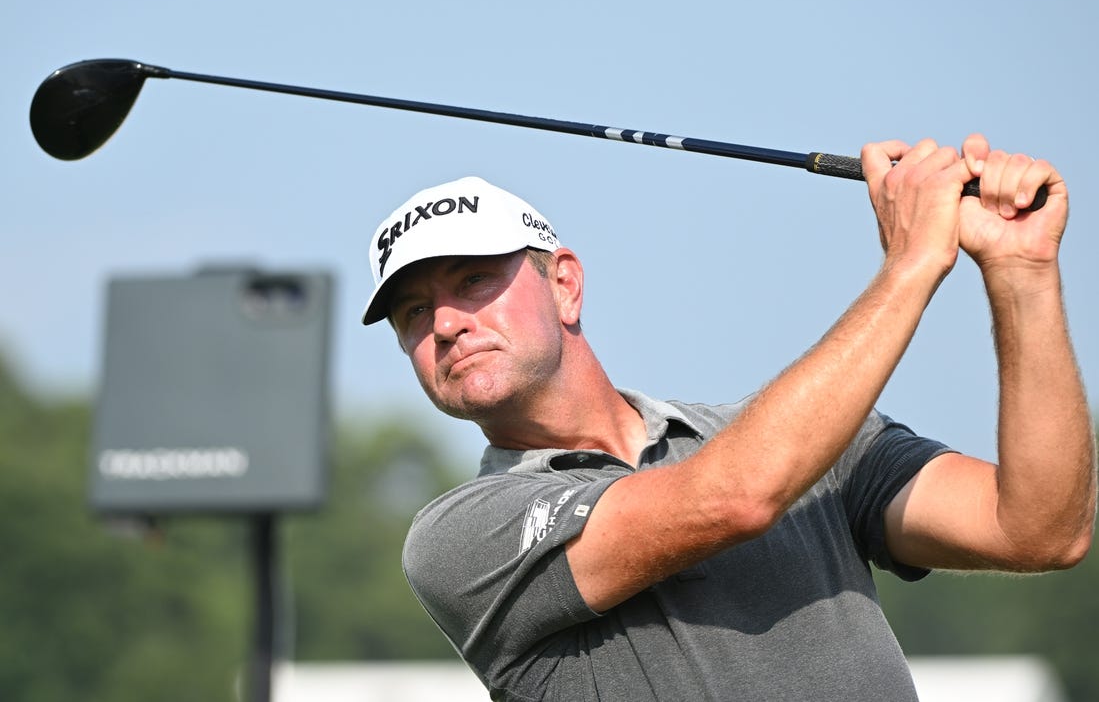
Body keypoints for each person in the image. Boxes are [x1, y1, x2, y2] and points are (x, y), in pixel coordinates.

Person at [360, 135, 1096, 701]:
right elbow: (732, 497)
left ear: (565, 284)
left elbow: (1041, 527)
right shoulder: (460, 534)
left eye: (473, 280)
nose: (446, 323)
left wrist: (1020, 272)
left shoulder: (814, 443)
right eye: (413, 312)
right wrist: (911, 264)